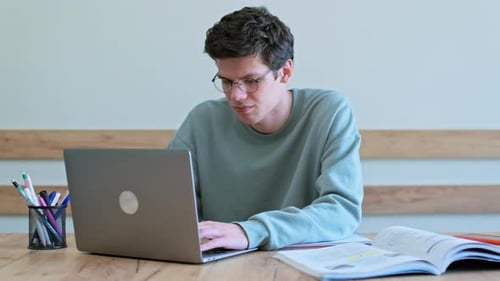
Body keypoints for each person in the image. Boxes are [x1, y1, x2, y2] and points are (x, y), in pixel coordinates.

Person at [167, 6, 363, 251]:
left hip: (298, 267)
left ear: (285, 72)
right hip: (214, 266)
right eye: (227, 81)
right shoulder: (202, 120)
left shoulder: (329, 111)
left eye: (251, 81)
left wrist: (251, 231)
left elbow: (342, 211)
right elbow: (168, 207)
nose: (236, 96)